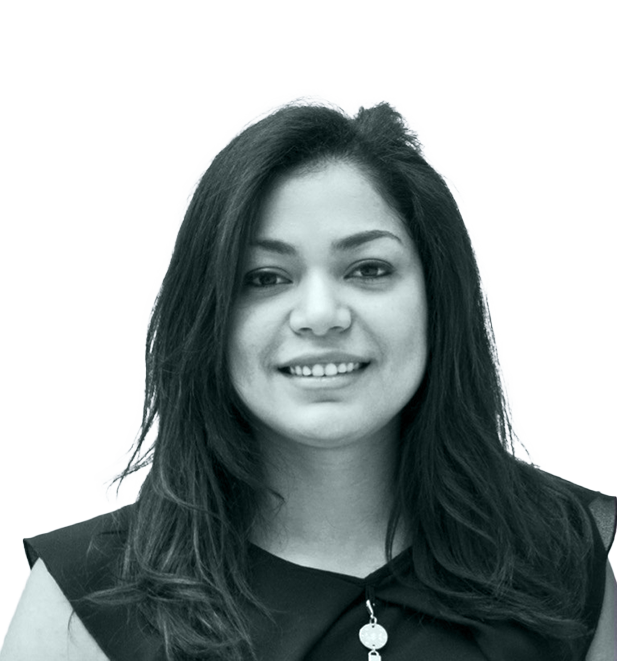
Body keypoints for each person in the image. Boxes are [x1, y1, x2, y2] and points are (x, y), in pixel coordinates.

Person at [1, 101, 615, 661]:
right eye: (265, 277)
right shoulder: (84, 604)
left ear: (439, 298)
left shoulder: (556, 551)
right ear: (206, 315)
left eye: (368, 269)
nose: (321, 315)